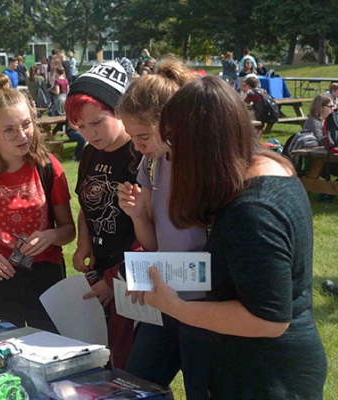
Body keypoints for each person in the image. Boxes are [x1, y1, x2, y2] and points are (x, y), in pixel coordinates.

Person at [144, 75, 326, 399]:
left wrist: (176, 307)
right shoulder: (270, 165)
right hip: (266, 368)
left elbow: (268, 319)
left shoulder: (252, 211)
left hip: (266, 378)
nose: (170, 155)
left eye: (173, 142)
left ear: (201, 145)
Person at [115, 59, 211, 399]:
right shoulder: (151, 163)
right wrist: (138, 214)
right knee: (135, 385)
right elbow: (153, 241)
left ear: (170, 123)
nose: (137, 146)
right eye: (132, 137)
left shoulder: (201, 164)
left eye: (142, 136)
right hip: (166, 302)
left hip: (206, 309)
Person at [0, 79, 75, 331]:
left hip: (47, 278)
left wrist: (51, 235)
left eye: (26, 124)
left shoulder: (49, 167)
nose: (22, 136)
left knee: (51, 352)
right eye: (9, 130)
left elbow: (68, 230)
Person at [64, 61, 140, 369]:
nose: (89, 133)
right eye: (80, 127)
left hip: (132, 277)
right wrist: (84, 244)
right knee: (100, 358)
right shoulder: (90, 153)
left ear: (119, 110)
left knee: (132, 365)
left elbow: (152, 232)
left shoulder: (139, 156)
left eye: (97, 122)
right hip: (100, 269)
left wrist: (114, 280)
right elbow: (86, 204)